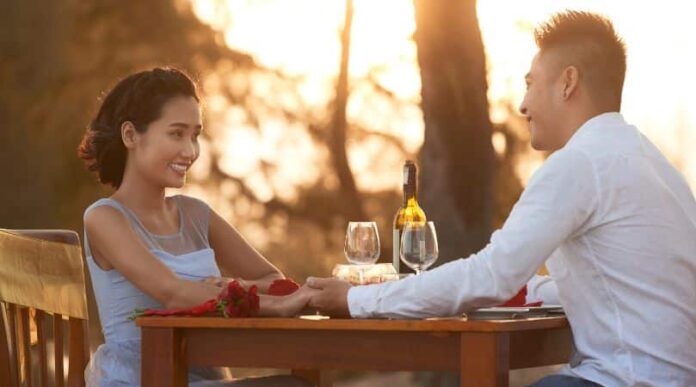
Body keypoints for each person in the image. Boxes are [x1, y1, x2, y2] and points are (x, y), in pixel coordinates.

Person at [305, 11, 696, 386]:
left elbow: (489, 275)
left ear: (567, 82)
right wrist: (530, 289)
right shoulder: (655, 166)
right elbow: (629, 288)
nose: (523, 105)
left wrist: (357, 299)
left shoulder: (579, 163)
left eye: (530, 83)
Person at [78, 68, 312, 387]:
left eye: (195, 135)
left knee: (297, 384)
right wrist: (278, 305)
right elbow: (173, 293)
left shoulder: (196, 214)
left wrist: (234, 284)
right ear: (131, 135)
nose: (191, 151)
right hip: (141, 379)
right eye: (176, 134)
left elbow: (275, 280)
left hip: (201, 374)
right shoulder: (104, 217)